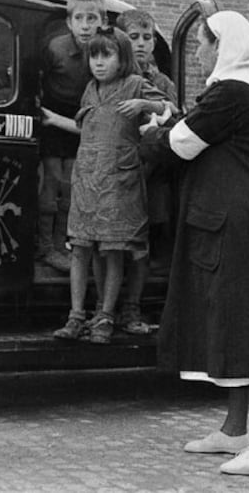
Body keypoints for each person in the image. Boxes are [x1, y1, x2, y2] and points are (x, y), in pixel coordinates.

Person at [140, 11, 249, 476]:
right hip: (229, 221)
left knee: (246, 326)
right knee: (232, 323)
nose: (198, 53)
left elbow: (180, 146)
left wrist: (155, 133)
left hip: (237, 224)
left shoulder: (231, 92)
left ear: (222, 46)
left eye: (203, 45)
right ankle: (234, 430)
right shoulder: (238, 91)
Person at [53, 26, 169, 344]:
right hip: (88, 178)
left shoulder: (135, 84)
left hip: (119, 181)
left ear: (122, 58)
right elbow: (92, 127)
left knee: (114, 250)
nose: (99, 63)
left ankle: (105, 315)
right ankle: (76, 315)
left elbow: (168, 108)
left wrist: (144, 106)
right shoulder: (90, 89)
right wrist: (51, 118)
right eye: (94, 56)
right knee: (81, 248)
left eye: (107, 56)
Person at [112, 9, 178, 334]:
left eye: (147, 37)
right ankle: (104, 309)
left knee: (141, 244)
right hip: (115, 170)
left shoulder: (162, 82)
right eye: (133, 37)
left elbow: (172, 118)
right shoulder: (111, 75)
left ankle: (133, 307)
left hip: (148, 169)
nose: (141, 44)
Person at [38, 0, 106, 273]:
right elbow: (37, 79)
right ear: (69, 22)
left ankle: (60, 245)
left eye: (92, 18)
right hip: (52, 122)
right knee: (50, 183)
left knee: (71, 187)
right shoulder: (56, 48)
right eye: (80, 18)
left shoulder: (104, 51)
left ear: (102, 21)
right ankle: (44, 247)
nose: (86, 25)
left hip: (83, 123)